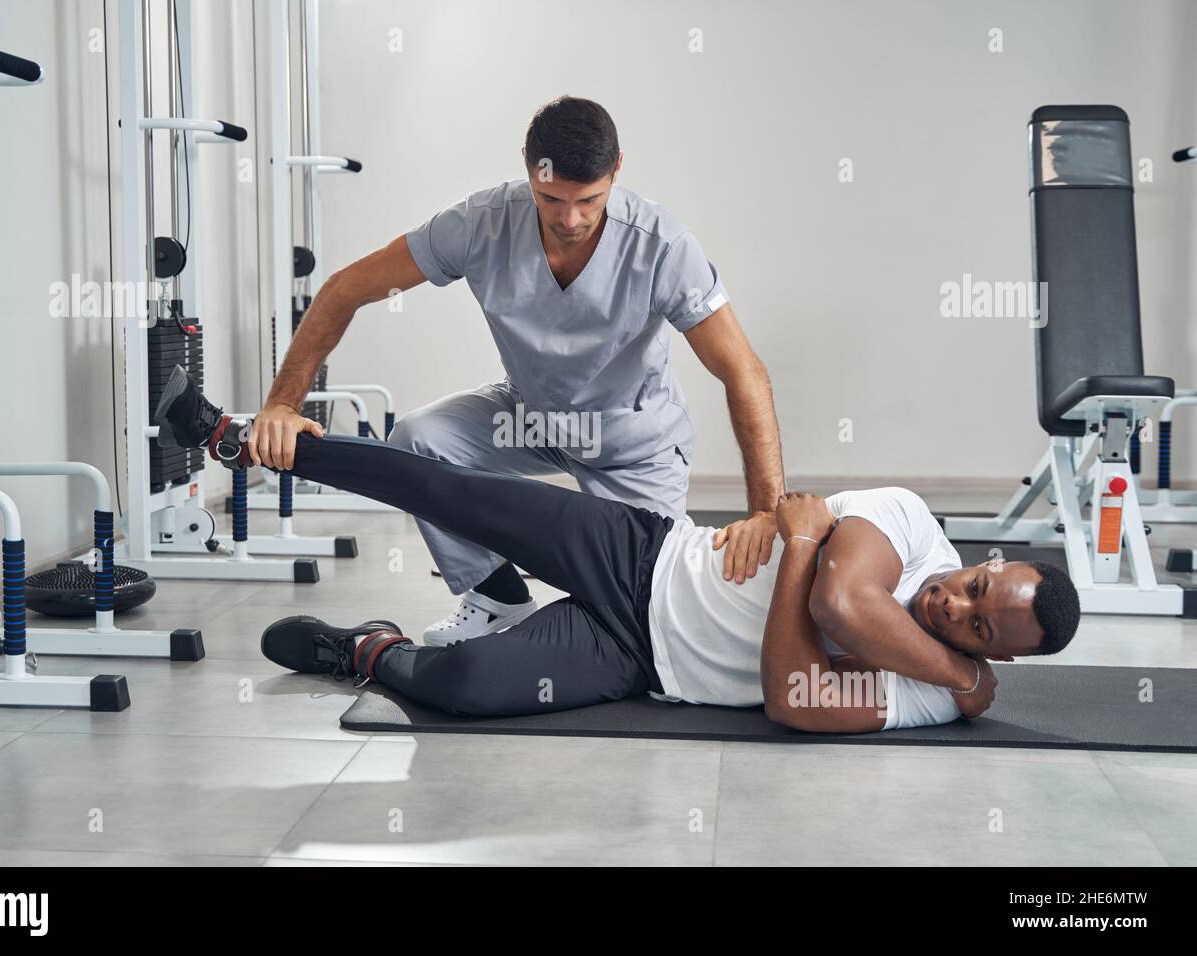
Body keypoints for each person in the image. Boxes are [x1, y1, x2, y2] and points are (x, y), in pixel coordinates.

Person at [155, 367, 1081, 733]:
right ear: (985, 557)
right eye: (976, 585)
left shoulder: (934, 691)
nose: (955, 605)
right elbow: (840, 617)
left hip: (638, 659)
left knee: (459, 691)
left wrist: (801, 547)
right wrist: (957, 679)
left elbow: (800, 698)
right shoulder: (915, 524)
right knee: (444, 484)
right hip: (642, 554)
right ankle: (243, 436)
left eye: (979, 631)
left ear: (995, 655)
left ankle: (362, 649)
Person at [249, 95, 785, 647]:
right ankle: (495, 593)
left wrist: (767, 512)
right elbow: (343, 289)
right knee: (418, 438)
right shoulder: (479, 225)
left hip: (631, 441)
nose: (570, 219)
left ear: (616, 170)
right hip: (529, 417)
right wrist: (283, 403)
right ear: (529, 166)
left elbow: (744, 371)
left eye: (589, 200)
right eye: (551, 198)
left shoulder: (663, 246)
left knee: (643, 619)